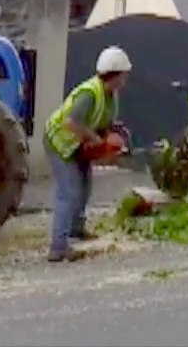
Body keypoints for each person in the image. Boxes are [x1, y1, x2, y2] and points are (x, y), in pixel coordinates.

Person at [43, 45, 133, 262]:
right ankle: (58, 246)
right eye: (124, 74)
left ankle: (76, 229)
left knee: (85, 186)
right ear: (116, 74)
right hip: (60, 142)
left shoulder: (110, 95)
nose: (126, 78)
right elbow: (71, 122)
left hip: (77, 146)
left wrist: (118, 137)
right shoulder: (89, 93)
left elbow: (104, 122)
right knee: (69, 191)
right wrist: (97, 141)